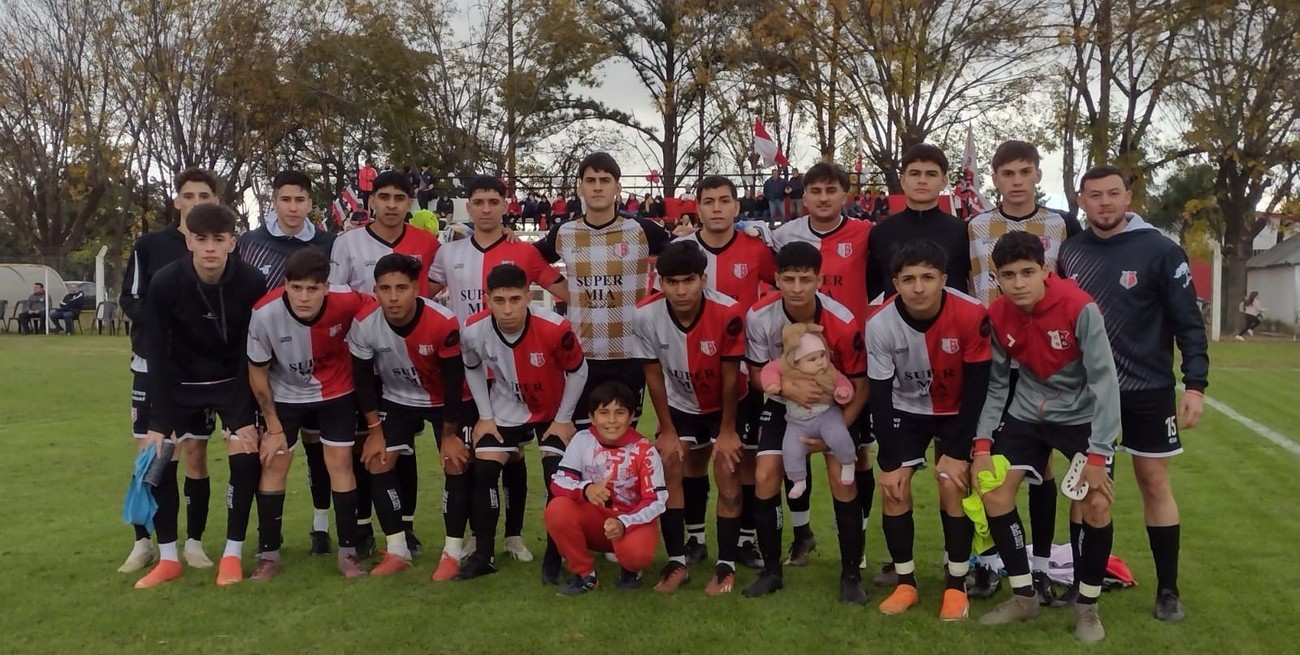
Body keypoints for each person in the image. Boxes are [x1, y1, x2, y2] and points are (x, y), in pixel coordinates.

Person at [1059, 165, 1208, 622]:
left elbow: (1188, 323)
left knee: (1153, 483)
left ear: (1128, 198)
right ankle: (1084, 586)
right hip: (1088, 394)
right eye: (1094, 195)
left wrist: (1196, 386)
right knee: (1086, 488)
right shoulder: (1069, 253)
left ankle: (1168, 590)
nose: (1104, 202)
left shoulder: (1160, 250)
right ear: (1081, 202)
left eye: (1113, 194)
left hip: (1148, 388)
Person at [972, 231, 1120, 642]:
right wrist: (982, 443)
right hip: (1027, 413)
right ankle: (1023, 597)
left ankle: (1087, 608)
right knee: (995, 494)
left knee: (1096, 503)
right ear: (996, 278)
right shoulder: (999, 314)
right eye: (1008, 274)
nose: (1018, 282)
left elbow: (1105, 383)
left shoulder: (1079, 307)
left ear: (1045, 270)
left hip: (1081, 418)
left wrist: (1098, 455)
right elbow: (998, 385)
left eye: (1027, 272)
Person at [966, 139, 1080, 599]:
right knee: (992, 462)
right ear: (995, 178)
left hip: (1042, 362)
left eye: (1024, 172)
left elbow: (1069, 290)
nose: (1016, 181)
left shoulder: (1062, 225)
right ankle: (990, 561)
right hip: (992, 355)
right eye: (1007, 173)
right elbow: (965, 284)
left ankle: (1042, 564)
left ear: (1037, 175)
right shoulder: (973, 226)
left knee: (1044, 463)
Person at [133, 203, 268, 588]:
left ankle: (231, 554)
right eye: (201, 239)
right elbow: (156, 352)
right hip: (178, 383)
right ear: (188, 240)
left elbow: (253, 350)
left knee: (245, 456)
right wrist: (160, 421)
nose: (210, 248)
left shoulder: (252, 281)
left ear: (232, 242)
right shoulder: (165, 282)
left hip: (232, 381)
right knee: (158, 457)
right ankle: (170, 558)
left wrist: (244, 411)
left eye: (219, 239)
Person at [866, 240, 990, 620]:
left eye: (927, 277)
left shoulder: (972, 313)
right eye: (909, 279)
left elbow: (977, 388)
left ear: (944, 279)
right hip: (907, 409)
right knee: (894, 487)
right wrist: (888, 461)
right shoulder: (879, 323)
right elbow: (881, 397)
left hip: (957, 409)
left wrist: (955, 451)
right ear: (896, 283)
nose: (918, 287)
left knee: (952, 483)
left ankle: (956, 585)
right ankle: (906, 583)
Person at [743, 242, 869, 603]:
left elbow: (861, 385)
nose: (797, 287)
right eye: (789, 279)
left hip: (833, 407)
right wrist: (787, 388)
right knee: (765, 474)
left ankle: (850, 577)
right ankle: (771, 571)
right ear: (777, 279)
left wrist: (837, 431)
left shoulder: (842, 321)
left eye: (805, 279)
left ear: (819, 279)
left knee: (841, 481)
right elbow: (754, 374)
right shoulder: (759, 316)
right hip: (785, 407)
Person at [768, 162, 875, 568]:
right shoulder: (783, 236)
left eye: (831, 189)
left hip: (849, 356)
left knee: (858, 454)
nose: (823, 197)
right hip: (798, 359)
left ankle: (857, 543)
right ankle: (802, 534)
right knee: (797, 440)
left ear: (845, 194)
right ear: (804, 196)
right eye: (815, 190)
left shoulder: (866, 234)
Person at [117, 168, 223, 574]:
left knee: (195, 452)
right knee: (153, 454)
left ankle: (193, 543)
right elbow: (131, 299)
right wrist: (167, 324)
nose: (197, 202)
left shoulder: (219, 248)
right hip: (151, 365)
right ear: (177, 201)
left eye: (205, 196)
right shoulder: (150, 245)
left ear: (214, 202)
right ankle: (144, 542)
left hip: (198, 370)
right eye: (189, 196)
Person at [330, 169, 441, 556]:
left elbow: (441, 283)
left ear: (410, 203)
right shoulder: (347, 244)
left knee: (402, 448)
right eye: (384, 197)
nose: (391, 205)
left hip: (406, 359)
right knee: (365, 446)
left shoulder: (428, 244)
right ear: (371, 201)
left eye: (399, 198)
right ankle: (361, 530)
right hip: (359, 358)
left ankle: (405, 529)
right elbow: (336, 294)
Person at [245, 248, 368, 581]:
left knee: (340, 462)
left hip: (336, 393)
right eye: (296, 287)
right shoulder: (265, 313)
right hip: (284, 396)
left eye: (313, 289)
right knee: (275, 461)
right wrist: (272, 427)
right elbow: (256, 372)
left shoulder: (348, 300)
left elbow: (377, 312)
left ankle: (348, 553)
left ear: (327, 287)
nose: (303, 296)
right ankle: (269, 554)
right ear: (285, 284)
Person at [460, 264, 589, 583]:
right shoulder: (473, 329)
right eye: (499, 300)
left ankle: (554, 557)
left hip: (552, 410)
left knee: (556, 479)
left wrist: (562, 420)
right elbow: (472, 367)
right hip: (505, 408)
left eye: (515, 299)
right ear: (487, 299)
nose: (507, 308)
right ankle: (485, 556)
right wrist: (485, 416)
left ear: (528, 297)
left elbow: (579, 371)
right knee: (484, 469)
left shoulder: (555, 327)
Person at [634, 241, 748, 594]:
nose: (680, 290)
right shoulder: (644, 314)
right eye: (671, 282)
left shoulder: (728, 311)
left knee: (726, 467)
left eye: (688, 280)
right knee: (670, 462)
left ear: (703, 278)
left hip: (727, 405)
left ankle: (726, 565)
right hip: (681, 404)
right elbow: (652, 375)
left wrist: (727, 430)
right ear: (660, 282)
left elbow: (731, 376)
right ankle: (677, 561)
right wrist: (666, 429)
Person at [673, 176, 776, 569]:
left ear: (737, 207)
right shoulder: (681, 250)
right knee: (694, 459)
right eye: (708, 201)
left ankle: (746, 541)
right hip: (692, 373)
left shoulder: (755, 247)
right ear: (696, 208)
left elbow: (783, 283)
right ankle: (696, 537)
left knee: (744, 460)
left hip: (745, 373)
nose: (717, 208)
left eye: (724, 201)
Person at [533, 153, 671, 441]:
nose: (598, 187)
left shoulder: (642, 230)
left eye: (605, 181)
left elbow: (683, 259)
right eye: (591, 180)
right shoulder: (564, 232)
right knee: (583, 440)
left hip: (630, 354)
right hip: (582, 356)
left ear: (617, 188)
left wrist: (654, 300)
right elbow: (529, 260)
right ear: (580, 188)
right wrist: (563, 289)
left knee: (621, 440)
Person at [236, 171, 339, 553]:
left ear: (311, 203)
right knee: (274, 452)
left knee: (321, 451)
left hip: (319, 368)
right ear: (273, 202)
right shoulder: (250, 243)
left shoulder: (330, 243)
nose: (292, 208)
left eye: (300, 200)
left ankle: (320, 526)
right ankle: (269, 539)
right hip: (267, 365)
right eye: (285, 200)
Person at [349, 253, 468, 577]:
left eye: (401, 288)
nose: (393, 297)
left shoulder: (442, 321)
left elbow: (455, 382)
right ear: (375, 290)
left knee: (455, 462)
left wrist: (449, 436)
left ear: (417, 288)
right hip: (398, 398)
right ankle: (398, 550)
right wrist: (375, 430)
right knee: (377, 459)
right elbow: (362, 381)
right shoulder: (364, 324)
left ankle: (452, 553)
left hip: (446, 401)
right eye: (385, 289)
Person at [546, 381, 667, 596]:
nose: (611, 421)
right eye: (603, 413)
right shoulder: (582, 440)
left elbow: (656, 500)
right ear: (592, 418)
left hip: (631, 522)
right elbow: (559, 481)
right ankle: (585, 575)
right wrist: (586, 489)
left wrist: (623, 522)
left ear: (631, 417)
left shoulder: (645, 450)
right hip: (596, 519)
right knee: (557, 509)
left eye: (620, 413)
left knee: (638, 554)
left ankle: (631, 570)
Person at [761, 324, 856, 498]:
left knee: (838, 435)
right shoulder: (786, 367)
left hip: (827, 415)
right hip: (797, 422)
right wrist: (773, 384)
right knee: (791, 449)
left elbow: (843, 382)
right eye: (812, 359)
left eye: (822, 355)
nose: (820, 361)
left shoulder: (829, 371)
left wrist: (843, 392)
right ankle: (798, 480)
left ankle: (848, 463)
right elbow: (769, 370)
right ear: (796, 361)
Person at [866, 144, 971, 301]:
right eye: (915, 174)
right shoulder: (880, 233)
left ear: (944, 181)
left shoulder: (964, 232)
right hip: (896, 324)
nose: (922, 181)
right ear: (903, 180)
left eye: (931, 174)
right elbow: (871, 289)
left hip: (954, 323)